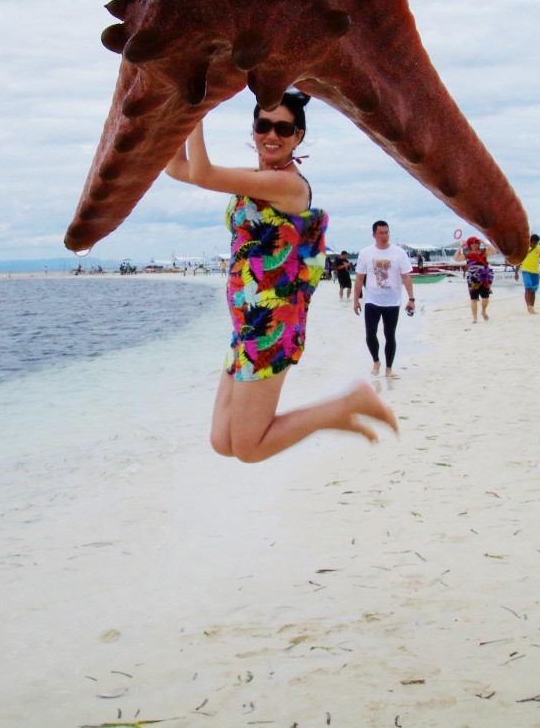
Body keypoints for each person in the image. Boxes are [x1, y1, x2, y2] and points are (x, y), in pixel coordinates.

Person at [164, 92, 396, 462]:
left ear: (298, 136)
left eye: (284, 128)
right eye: (264, 125)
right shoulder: (256, 178)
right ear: (253, 130)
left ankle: (344, 406)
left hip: (271, 325)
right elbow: (178, 169)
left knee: (250, 448)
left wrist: (197, 105)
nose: (272, 134)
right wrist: (177, 106)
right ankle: (341, 409)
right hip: (245, 326)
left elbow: (203, 173)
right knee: (222, 441)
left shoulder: (290, 187)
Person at [353, 219, 416, 380]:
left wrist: (411, 298)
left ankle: (388, 368)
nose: (384, 236)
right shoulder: (365, 253)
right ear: (374, 234)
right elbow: (359, 278)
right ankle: (376, 361)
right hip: (372, 300)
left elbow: (406, 277)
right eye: (381, 233)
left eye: (386, 232)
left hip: (393, 301)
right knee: (370, 333)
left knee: (390, 335)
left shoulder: (399, 253)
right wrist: (355, 300)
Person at [461, 235, 494, 322]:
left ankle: (483, 311)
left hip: (484, 276)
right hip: (472, 278)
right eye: (472, 243)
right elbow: (456, 258)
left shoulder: (483, 251)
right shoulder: (467, 254)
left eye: (476, 242)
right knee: (473, 299)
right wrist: (459, 248)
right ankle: (475, 318)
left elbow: (494, 250)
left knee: (485, 297)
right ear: (469, 244)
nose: (474, 244)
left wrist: (484, 242)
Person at [519, 233, 540, 312]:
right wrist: (516, 272)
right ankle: (528, 306)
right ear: (530, 241)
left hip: (535, 272)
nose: (534, 244)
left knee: (533, 290)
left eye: (536, 243)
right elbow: (519, 260)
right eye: (533, 243)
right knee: (528, 287)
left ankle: (532, 306)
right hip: (525, 271)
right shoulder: (524, 248)